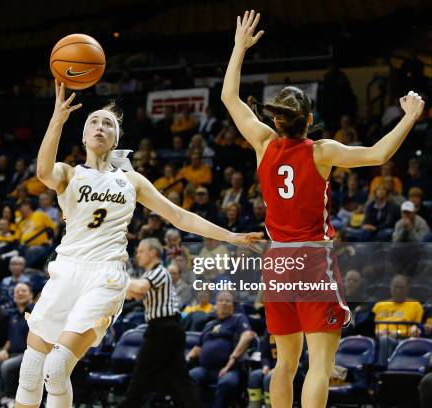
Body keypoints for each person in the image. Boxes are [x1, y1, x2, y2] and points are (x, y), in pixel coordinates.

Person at [14, 80, 262, 408]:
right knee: (31, 370)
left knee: (58, 368)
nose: (100, 126)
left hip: (105, 276)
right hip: (66, 271)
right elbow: (43, 171)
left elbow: (179, 216)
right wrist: (57, 119)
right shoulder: (69, 174)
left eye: (108, 124)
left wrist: (229, 236)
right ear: (84, 136)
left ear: (116, 138)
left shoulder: (131, 180)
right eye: (93, 122)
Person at [221, 10, 425, 408]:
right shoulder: (322, 151)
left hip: (277, 262)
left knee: (284, 364)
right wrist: (410, 117)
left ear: (276, 119)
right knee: (320, 364)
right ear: (309, 121)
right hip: (312, 259)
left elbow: (229, 97)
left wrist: (239, 48)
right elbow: (379, 153)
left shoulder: (262, 143)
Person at [119, 238, 202, 407]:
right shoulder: (148, 274)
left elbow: (140, 288)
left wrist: (117, 277)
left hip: (163, 329)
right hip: (167, 330)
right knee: (181, 379)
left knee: (140, 377)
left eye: (141, 251)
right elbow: (132, 295)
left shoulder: (160, 271)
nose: (137, 255)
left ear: (153, 253)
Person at [187, 291, 255, 408]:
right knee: (189, 377)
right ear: (215, 305)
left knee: (227, 383)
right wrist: (186, 360)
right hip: (205, 369)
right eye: (221, 300)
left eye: (228, 301)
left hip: (230, 369)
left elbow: (248, 336)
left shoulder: (238, 319)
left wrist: (233, 358)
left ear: (233, 305)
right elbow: (197, 348)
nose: (224, 303)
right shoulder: (209, 325)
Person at [0, 283, 34, 407]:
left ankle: (13, 399)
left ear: (30, 295)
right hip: (12, 353)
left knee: (6, 366)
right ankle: (2, 400)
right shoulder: (12, 315)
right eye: (17, 291)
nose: (20, 293)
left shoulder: (36, 312)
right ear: (13, 296)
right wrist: (3, 350)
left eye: (23, 291)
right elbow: (10, 338)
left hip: (29, 354)